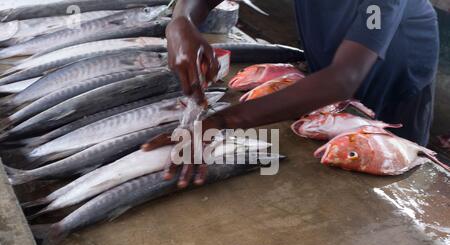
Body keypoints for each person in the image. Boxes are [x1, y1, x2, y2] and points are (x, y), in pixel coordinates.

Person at [143, 0, 439, 187]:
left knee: (392, 154)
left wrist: (221, 121)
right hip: (334, 41)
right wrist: (181, 21)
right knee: (327, 110)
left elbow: (342, 78)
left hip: (396, 63)